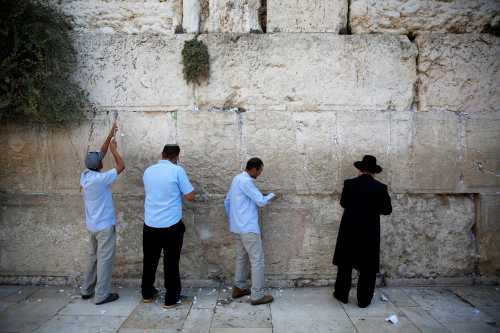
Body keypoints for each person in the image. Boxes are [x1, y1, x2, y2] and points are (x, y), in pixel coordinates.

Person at [332, 155, 392, 308]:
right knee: (368, 267)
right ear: (374, 172)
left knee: (345, 264)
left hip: (349, 229)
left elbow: (343, 203)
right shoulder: (380, 187)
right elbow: (387, 210)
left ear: (360, 169)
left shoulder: (349, 184)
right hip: (369, 231)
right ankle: (363, 300)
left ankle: (342, 295)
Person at [142, 144, 195, 308]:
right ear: (177, 157)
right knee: (171, 262)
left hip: (150, 224)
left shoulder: (148, 171)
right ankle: (171, 298)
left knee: (149, 261)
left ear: (162, 154)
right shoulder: (177, 171)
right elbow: (190, 196)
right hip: (171, 225)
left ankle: (147, 294)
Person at [80, 122, 125, 305]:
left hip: (92, 225)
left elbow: (100, 153)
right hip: (105, 226)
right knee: (105, 260)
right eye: (101, 160)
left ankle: (86, 289)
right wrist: (114, 149)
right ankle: (101, 295)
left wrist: (110, 134)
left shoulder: (85, 176)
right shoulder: (101, 179)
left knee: (92, 258)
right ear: (99, 165)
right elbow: (121, 166)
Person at [225, 157, 278, 305]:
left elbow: (227, 201)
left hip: (237, 227)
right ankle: (257, 295)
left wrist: (233, 220)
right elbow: (261, 201)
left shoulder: (236, 179)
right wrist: (273, 195)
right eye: (260, 170)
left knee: (241, 258)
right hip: (248, 227)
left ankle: (239, 287)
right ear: (254, 169)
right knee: (257, 260)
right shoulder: (247, 182)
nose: (260, 174)